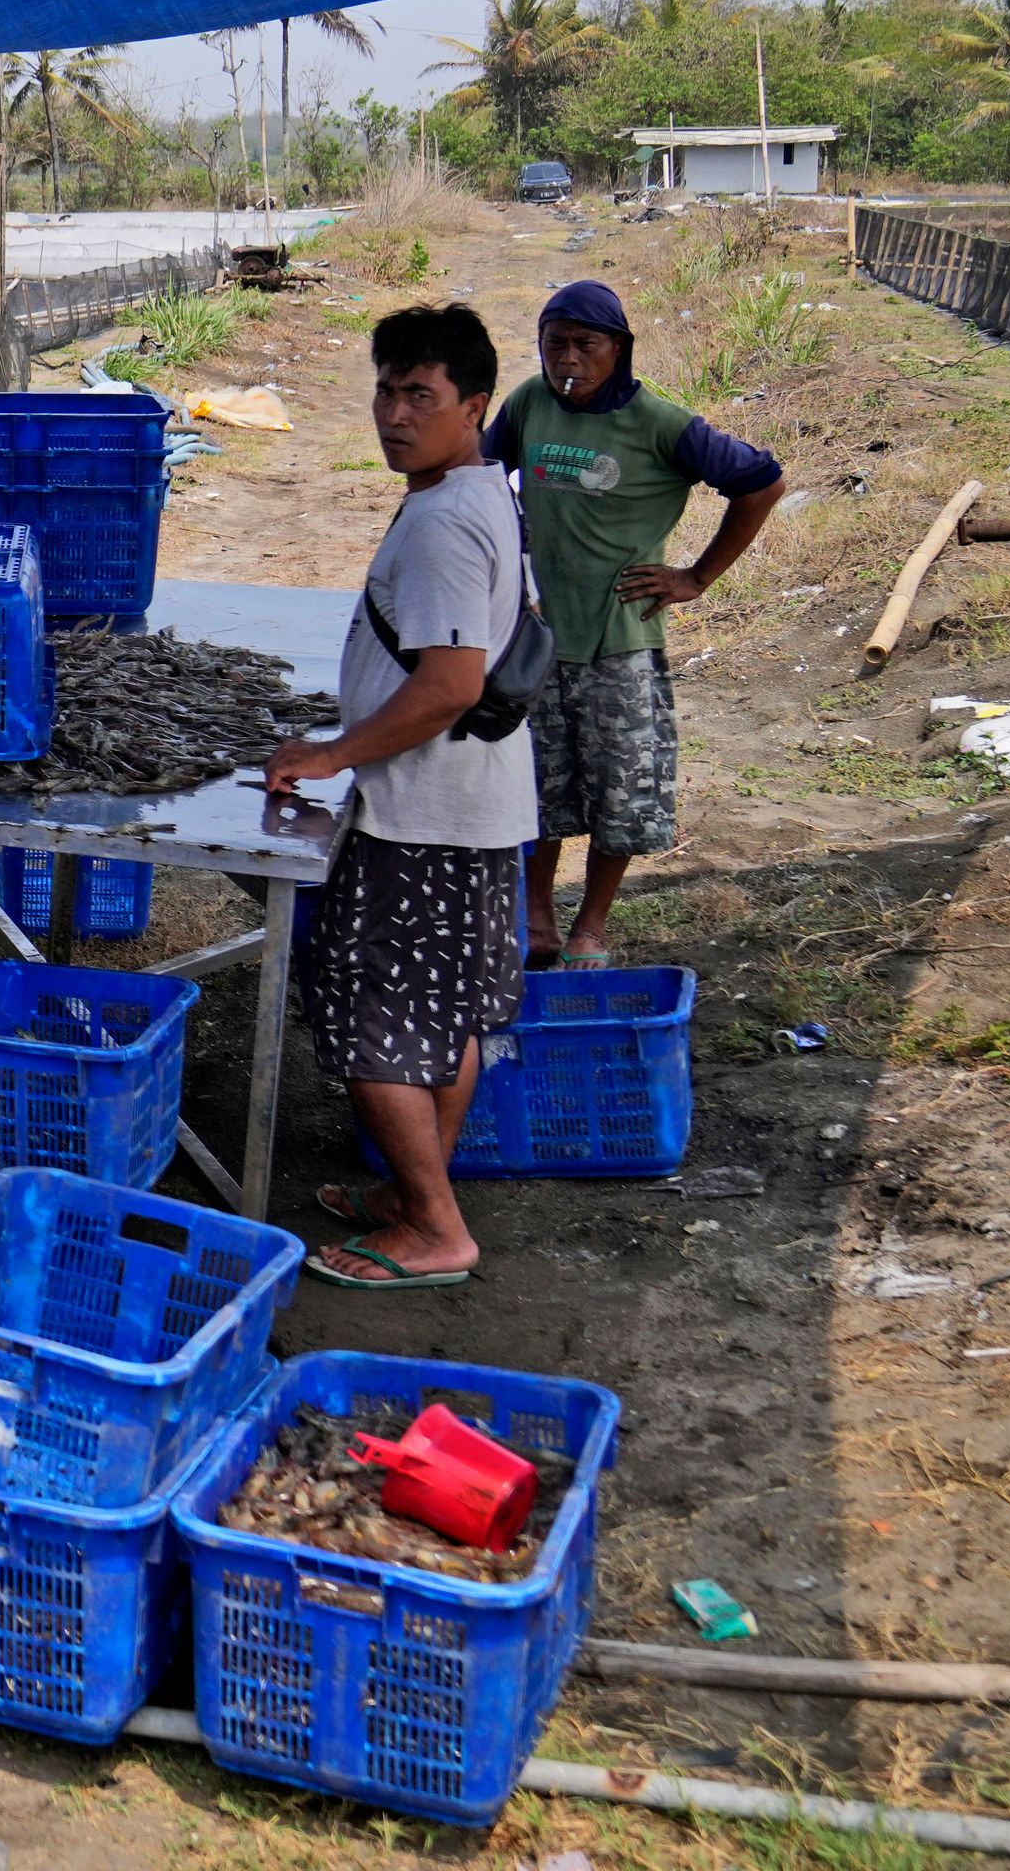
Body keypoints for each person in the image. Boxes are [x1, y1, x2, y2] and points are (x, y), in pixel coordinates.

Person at [265, 305, 537, 1290]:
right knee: (442, 1019)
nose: (394, 413)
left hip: (421, 815)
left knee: (374, 1026)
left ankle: (434, 1224)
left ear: (474, 405)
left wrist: (338, 753)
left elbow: (451, 684)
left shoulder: (444, 526)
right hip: (475, 809)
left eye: (420, 394)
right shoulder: (475, 490)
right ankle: (412, 1190)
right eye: (386, 389)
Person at [481, 279, 785, 968]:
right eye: (554, 343)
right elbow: (482, 473)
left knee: (620, 793)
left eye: (585, 345)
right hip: (535, 639)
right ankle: (536, 916)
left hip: (620, 640)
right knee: (536, 784)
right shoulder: (529, 404)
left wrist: (695, 577)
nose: (568, 358)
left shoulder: (659, 423)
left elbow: (763, 483)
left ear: (618, 349)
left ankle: (590, 924)